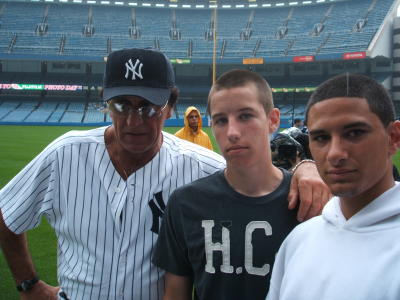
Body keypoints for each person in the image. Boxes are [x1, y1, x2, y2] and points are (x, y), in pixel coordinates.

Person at [0, 48, 326, 300]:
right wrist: (29, 284)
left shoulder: (201, 166)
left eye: (149, 107)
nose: (134, 120)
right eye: (122, 105)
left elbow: (256, 177)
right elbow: (6, 211)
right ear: (106, 106)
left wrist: (304, 168)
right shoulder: (65, 153)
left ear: (171, 107)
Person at [152, 69, 330, 300]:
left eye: (245, 116)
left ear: (273, 120)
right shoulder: (185, 204)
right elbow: (176, 293)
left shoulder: (310, 201)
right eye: (221, 120)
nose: (232, 132)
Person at [267, 73, 400, 300]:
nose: (336, 153)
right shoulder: (298, 240)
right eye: (321, 138)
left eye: (355, 133)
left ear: (393, 137)